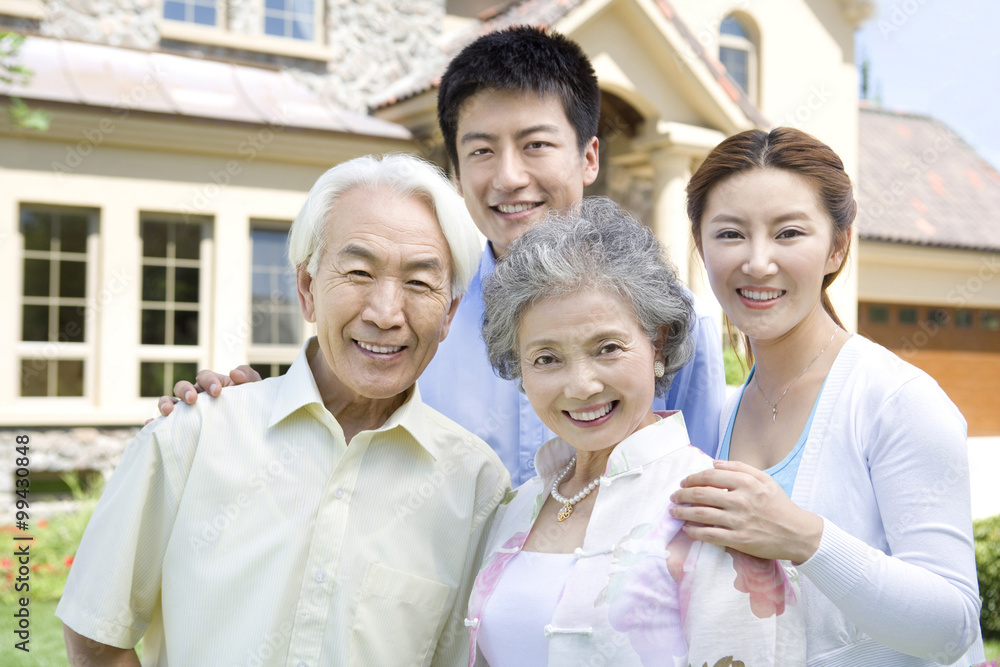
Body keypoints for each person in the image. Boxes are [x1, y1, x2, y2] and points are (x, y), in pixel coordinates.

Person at [158, 26, 726, 483]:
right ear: (454, 170)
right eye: (481, 150)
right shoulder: (418, 312)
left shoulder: (675, 319)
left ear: (588, 157)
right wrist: (234, 411)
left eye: (536, 145)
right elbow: (330, 427)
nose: (508, 177)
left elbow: (693, 488)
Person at [56, 154, 510, 666]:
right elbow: (98, 635)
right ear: (307, 289)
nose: (385, 314)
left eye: (419, 282)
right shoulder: (195, 432)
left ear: (449, 313)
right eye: (358, 271)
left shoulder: (474, 486)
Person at [669, 127, 986, 666]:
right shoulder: (720, 412)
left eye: (789, 233)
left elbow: (952, 623)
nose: (758, 262)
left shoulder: (897, 401)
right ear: (700, 246)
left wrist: (803, 536)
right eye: (730, 234)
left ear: (837, 246)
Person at [464, 197, 804, 666]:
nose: (581, 384)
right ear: (520, 370)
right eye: (547, 358)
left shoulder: (713, 508)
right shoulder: (518, 504)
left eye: (607, 348)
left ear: (658, 342)